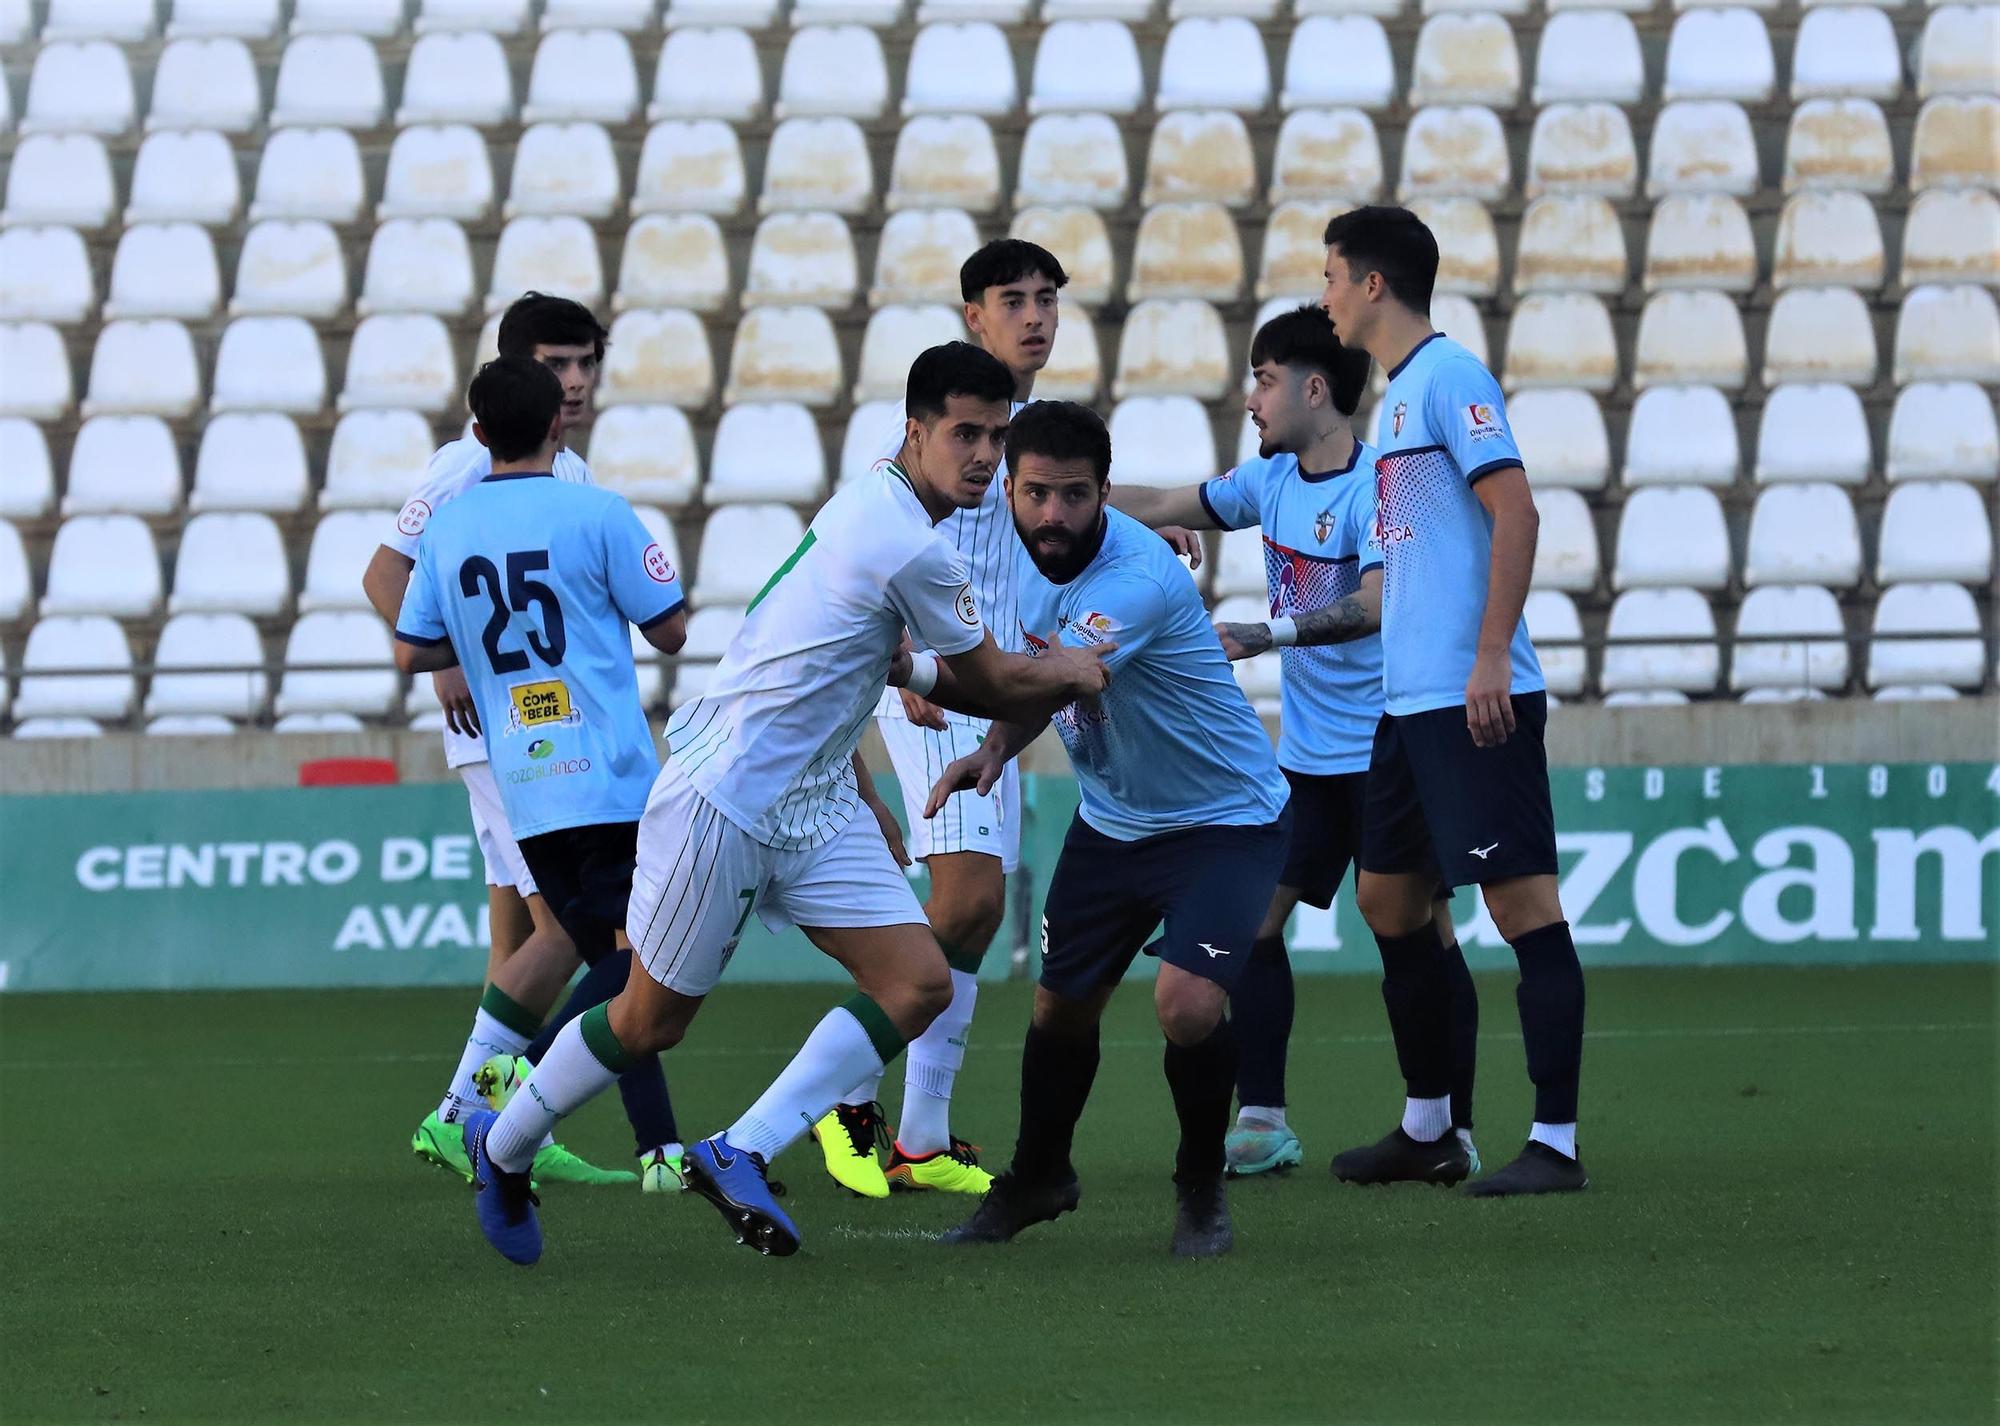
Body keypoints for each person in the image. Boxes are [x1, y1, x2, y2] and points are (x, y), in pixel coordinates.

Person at [455, 344, 1115, 1266]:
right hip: (723, 796)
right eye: (964, 433)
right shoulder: (903, 541)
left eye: (997, 438)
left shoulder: (880, 510)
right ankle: (504, 1144)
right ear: (916, 432)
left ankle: (740, 1150)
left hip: (813, 796)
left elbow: (876, 673)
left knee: (919, 982)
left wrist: (872, 776)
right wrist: (1076, 668)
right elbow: (997, 682)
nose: (982, 456)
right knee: (650, 1019)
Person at [1110, 304, 1480, 1179]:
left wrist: (1263, 633)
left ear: (1316, 390)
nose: (1251, 399)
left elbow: (1378, 605)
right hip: (1306, 765)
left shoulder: (1378, 487)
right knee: (1254, 921)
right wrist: (1058, 495)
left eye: (1264, 380)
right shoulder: (1268, 482)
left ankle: (1446, 1128)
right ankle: (1263, 1118)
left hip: (1389, 750)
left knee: (1420, 933)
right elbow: (1164, 500)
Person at [923, 400, 1293, 1258]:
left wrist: (919, 669)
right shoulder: (1005, 553)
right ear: (1010, 490)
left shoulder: (1139, 577)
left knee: (1188, 1007)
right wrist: (994, 749)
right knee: (1059, 1009)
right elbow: (1034, 682)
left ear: (1104, 495)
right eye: (1038, 494)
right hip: (1115, 822)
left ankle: (1200, 1187)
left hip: (1224, 819)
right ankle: (1040, 1177)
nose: (1054, 516)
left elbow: (1067, 673)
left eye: (1076, 497)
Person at [362, 294, 686, 1192]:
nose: (574, 382)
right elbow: (385, 573)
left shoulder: (569, 475)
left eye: (586, 363)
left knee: (541, 933)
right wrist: (450, 668)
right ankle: (488, 1105)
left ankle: (498, 1110)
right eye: (556, 365)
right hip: (526, 732)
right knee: (583, 940)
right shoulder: (466, 465)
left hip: (546, 738)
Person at [1319, 205, 1588, 1195]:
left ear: (1373, 284)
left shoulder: (1450, 379)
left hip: (1475, 692)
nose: (1325, 296)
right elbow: (1406, 556)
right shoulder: (1393, 404)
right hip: (1408, 703)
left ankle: (1554, 1142)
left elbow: (1512, 509)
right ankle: (1428, 1125)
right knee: (1386, 898)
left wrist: (1486, 657)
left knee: (1522, 908)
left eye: (1331, 276)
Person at [811, 240, 1068, 1200]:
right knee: (960, 904)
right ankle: (844, 1101)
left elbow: (1037, 514)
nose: (1036, 316)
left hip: (985, 678)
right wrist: (915, 660)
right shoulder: (929, 426)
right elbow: (882, 534)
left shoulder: (1020, 426)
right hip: (938, 680)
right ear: (973, 314)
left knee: (980, 908)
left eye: (1048, 299)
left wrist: (1127, 529)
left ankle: (922, 1138)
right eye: (1014, 300)